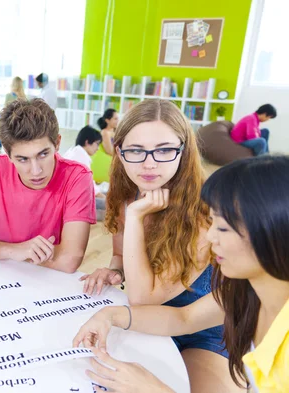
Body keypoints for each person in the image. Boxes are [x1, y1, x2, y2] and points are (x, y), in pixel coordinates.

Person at [73, 155, 289, 393]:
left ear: (273, 231)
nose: (210, 237)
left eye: (224, 228)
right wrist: (109, 315)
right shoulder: (247, 292)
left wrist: (153, 389)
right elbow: (184, 318)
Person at [79, 99, 240, 392]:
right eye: (136, 151)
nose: (149, 163)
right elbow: (120, 254)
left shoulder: (204, 211)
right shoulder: (125, 191)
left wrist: (137, 215)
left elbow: (145, 299)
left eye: (164, 150)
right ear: (120, 152)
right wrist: (114, 270)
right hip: (142, 319)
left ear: (183, 150)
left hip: (201, 330)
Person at [0, 99, 95, 274]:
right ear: (7, 154)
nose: (36, 171)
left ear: (57, 143)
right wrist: (15, 251)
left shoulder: (78, 176)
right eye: (22, 159)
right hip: (0, 277)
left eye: (43, 154)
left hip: (48, 280)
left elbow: (69, 260)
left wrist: (0, 252)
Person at [63, 126, 108, 220]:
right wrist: (108, 200)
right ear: (87, 142)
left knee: (108, 195)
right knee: (112, 205)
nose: (98, 148)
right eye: (97, 144)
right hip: (73, 201)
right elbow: (92, 189)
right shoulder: (80, 156)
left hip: (72, 197)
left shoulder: (74, 151)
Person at [91, 108, 118, 183]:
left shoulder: (115, 132)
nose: (117, 121)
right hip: (104, 161)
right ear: (107, 120)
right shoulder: (105, 133)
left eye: (117, 119)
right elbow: (109, 151)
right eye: (115, 119)